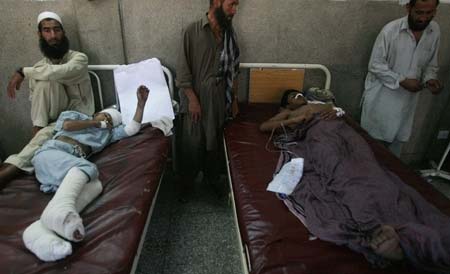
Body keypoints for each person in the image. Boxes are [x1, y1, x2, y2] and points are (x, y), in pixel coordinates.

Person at [23, 85, 149, 262]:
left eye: (110, 121)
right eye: (105, 116)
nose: (107, 121)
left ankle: (39, 230)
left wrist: (140, 105)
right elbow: (67, 125)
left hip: (67, 168)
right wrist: (96, 123)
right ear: (97, 113)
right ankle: (60, 214)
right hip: (49, 156)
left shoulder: (108, 134)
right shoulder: (74, 116)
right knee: (90, 169)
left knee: (95, 185)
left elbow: (132, 129)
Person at [0, 11, 94, 185]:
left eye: (57, 30)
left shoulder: (79, 59)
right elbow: (37, 101)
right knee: (43, 86)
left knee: (46, 80)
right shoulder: (38, 69)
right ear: (40, 34)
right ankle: (37, 136)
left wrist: (23, 71)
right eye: (47, 31)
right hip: (52, 122)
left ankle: (8, 171)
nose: (53, 36)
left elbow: (60, 72)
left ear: (63, 32)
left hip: (78, 117)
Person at [360, 0, 442, 157]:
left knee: (396, 152)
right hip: (382, 99)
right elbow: (375, 65)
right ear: (408, 8)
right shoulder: (391, 31)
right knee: (373, 150)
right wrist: (402, 80)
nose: (424, 18)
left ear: (435, 11)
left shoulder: (434, 31)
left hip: (407, 102)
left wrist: (430, 80)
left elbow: (431, 65)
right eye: (419, 13)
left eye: (429, 13)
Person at [176, 0, 240, 198]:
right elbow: (182, 70)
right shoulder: (191, 31)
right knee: (193, 141)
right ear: (217, 2)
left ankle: (212, 179)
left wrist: (234, 99)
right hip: (196, 96)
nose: (235, 10)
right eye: (232, 4)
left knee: (214, 140)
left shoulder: (230, 34)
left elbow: (234, 70)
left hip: (219, 97)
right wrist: (193, 100)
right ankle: (186, 184)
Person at [259, 89, 343, 132]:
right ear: (288, 105)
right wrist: (293, 120)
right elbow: (263, 127)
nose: (299, 95)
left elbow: (340, 112)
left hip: (338, 125)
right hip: (319, 131)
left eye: (301, 94)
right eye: (293, 96)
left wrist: (338, 112)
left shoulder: (315, 103)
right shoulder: (288, 112)